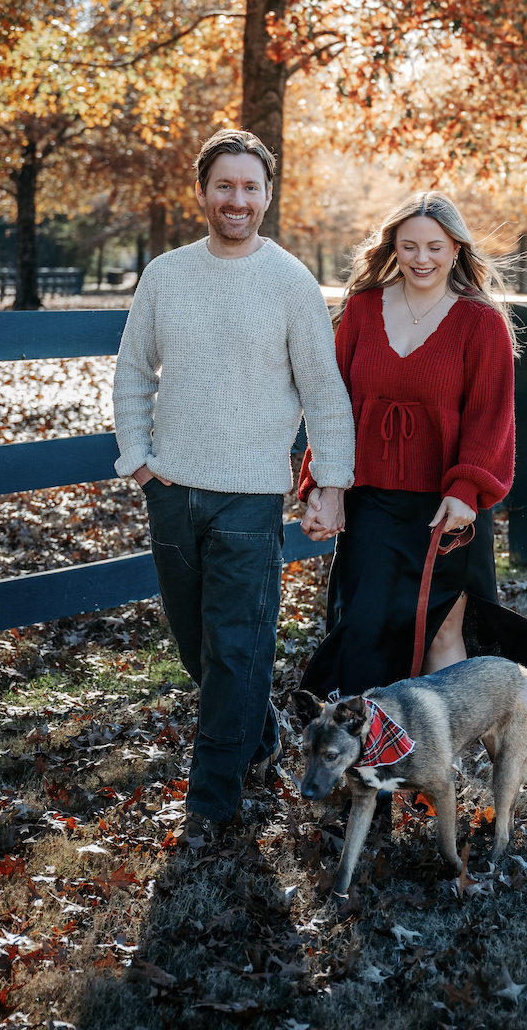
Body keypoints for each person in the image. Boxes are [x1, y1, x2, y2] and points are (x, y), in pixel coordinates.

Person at [113, 129, 354, 847]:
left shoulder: (288, 281)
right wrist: (140, 460)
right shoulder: (165, 275)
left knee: (238, 648)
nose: (237, 199)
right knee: (198, 648)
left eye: (250, 187)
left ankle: (211, 805)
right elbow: (132, 371)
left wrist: (331, 482)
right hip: (172, 491)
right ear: (203, 193)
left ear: (268, 195)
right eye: (225, 186)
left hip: (251, 497)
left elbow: (324, 390)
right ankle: (262, 731)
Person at [298, 191, 527, 700]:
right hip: (372, 499)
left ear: (457, 250)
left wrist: (468, 489)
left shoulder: (480, 322)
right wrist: (321, 482)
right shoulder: (360, 310)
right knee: (365, 622)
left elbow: (492, 415)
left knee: (443, 631)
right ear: (392, 248)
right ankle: (373, 756)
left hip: (448, 507)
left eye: (435, 247)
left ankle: (440, 762)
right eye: (410, 246)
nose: (423, 259)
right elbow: (334, 402)